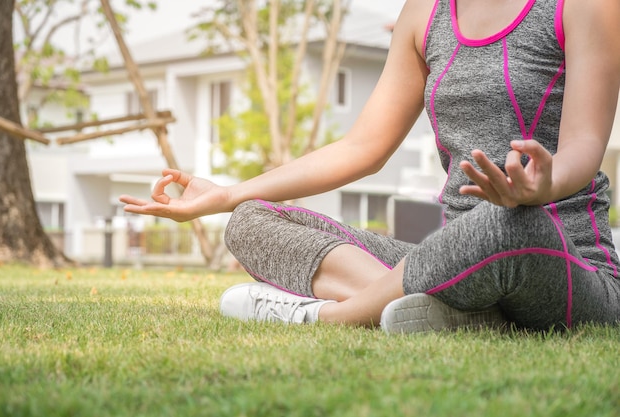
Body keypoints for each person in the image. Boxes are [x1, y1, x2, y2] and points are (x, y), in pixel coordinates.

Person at [120, 0, 620, 333]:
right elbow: (363, 146)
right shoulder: (426, 13)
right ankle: (455, 306)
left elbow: (584, 142)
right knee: (254, 218)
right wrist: (228, 195)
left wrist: (540, 186)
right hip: (451, 252)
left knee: (503, 224)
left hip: (560, 256)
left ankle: (330, 318)